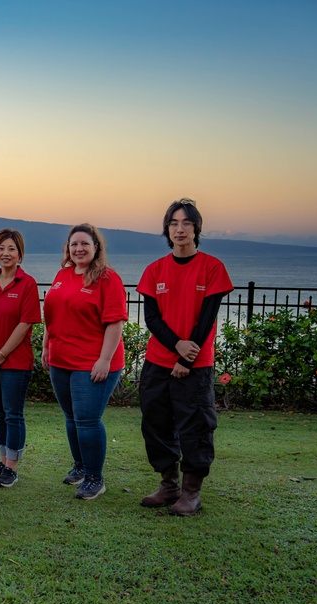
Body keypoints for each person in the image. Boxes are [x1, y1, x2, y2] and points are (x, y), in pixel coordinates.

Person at [137, 198, 233, 516]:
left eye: (186, 223)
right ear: (167, 229)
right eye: (174, 223)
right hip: (158, 362)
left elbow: (206, 319)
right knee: (155, 423)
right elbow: (152, 318)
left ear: (196, 228)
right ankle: (169, 485)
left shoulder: (212, 267)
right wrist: (176, 346)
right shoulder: (155, 270)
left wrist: (186, 359)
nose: (180, 229)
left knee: (196, 426)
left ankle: (192, 492)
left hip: (196, 365)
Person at [42, 223, 127, 500]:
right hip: (61, 360)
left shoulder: (107, 278)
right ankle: (80, 467)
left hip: (92, 363)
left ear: (96, 248)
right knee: (71, 418)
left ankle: (94, 478)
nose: (79, 249)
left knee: (88, 420)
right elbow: (52, 315)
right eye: (74, 244)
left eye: (84, 244)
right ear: (68, 248)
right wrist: (46, 346)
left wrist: (104, 359)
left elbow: (115, 323)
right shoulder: (62, 274)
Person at [0, 229, 41, 489]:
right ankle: (2, 462)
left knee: (13, 414)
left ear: (20, 254)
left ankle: (12, 468)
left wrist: (2, 353)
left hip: (15, 362)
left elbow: (25, 323)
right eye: (1, 248)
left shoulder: (27, 283)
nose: (6, 253)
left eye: (11, 248)